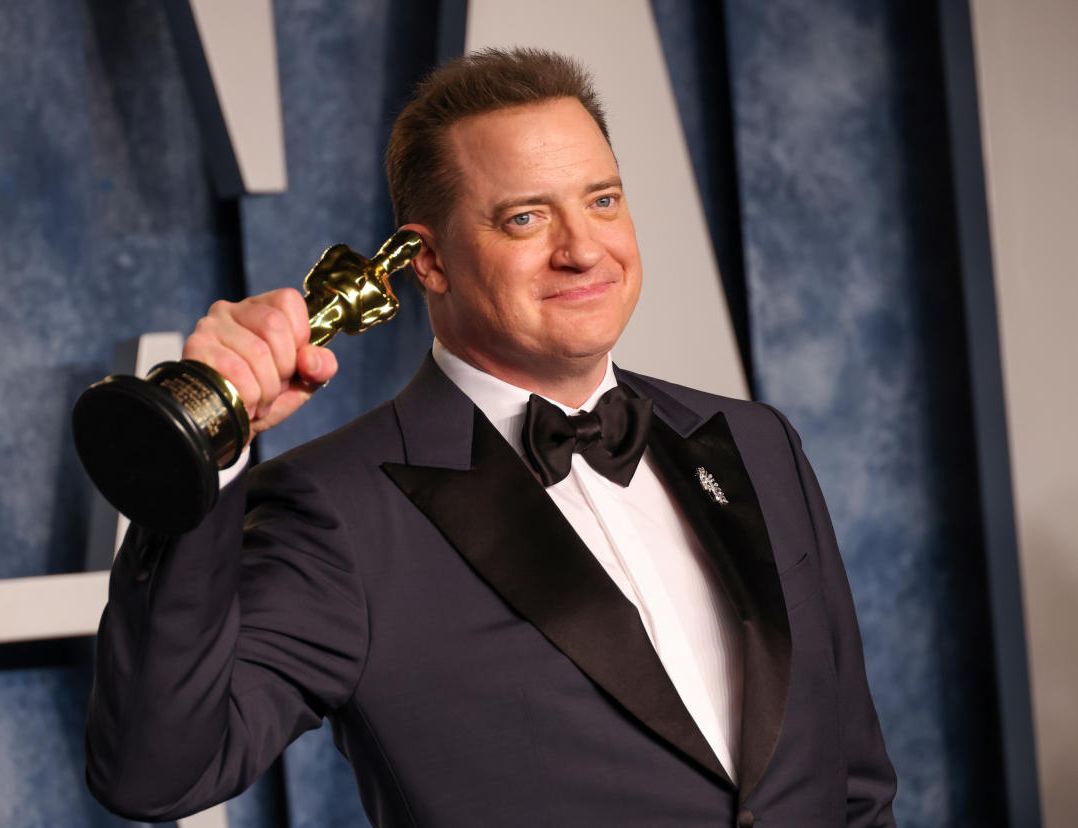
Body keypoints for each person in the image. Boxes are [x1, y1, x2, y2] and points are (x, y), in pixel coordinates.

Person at [86, 48, 896, 827]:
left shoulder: (756, 442)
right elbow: (157, 772)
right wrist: (202, 459)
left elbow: (854, 782)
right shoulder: (339, 513)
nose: (584, 249)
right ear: (427, 262)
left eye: (603, 199)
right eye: (526, 218)